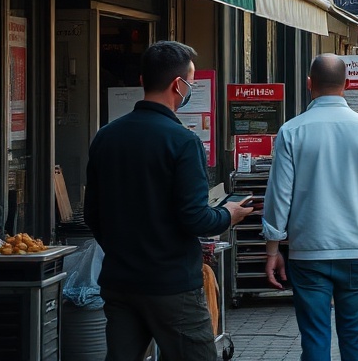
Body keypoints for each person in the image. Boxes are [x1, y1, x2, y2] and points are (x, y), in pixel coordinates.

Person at [86, 40, 253, 361]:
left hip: (120, 281)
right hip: (172, 284)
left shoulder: (106, 136)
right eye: (190, 82)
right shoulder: (183, 141)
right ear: (179, 85)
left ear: (141, 80)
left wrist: (123, 250)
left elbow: (93, 213)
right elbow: (196, 218)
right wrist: (228, 214)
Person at [262, 55, 358, 361]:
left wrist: (272, 250)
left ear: (309, 83)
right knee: (354, 335)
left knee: (314, 335)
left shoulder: (291, 131)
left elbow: (279, 195)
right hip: (357, 250)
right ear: (347, 84)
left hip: (307, 252)